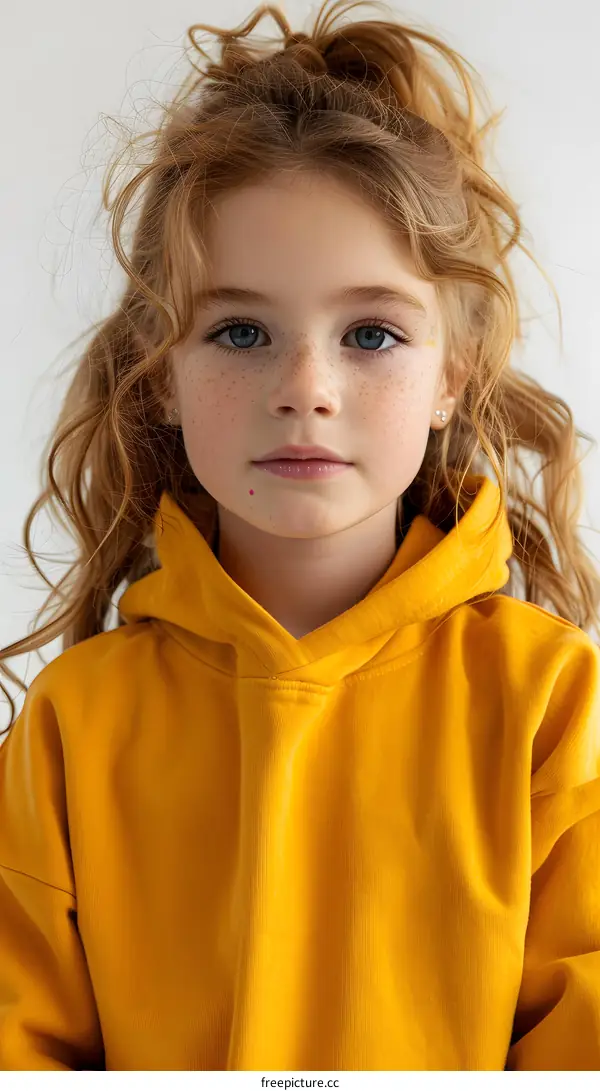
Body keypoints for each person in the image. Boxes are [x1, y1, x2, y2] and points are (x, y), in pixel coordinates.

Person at [1, 0, 599, 1071]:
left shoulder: (551, 705)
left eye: (371, 332)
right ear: (163, 375)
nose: (306, 389)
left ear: (450, 375)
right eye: (241, 330)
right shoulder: (75, 727)